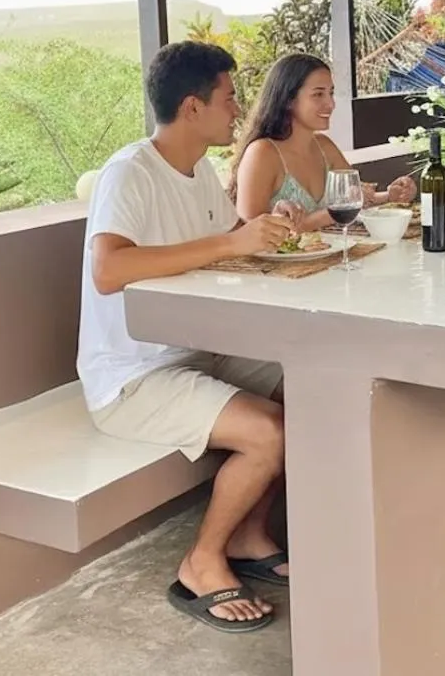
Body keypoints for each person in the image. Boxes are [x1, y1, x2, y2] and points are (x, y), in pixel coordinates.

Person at [78, 40, 303, 634]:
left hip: (197, 353)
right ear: (192, 106)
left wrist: (265, 229)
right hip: (132, 376)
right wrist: (232, 243)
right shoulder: (130, 172)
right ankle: (201, 562)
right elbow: (109, 270)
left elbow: (230, 234)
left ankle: (251, 536)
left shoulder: (198, 170)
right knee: (269, 432)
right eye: (229, 98)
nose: (239, 110)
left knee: (298, 385)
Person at [230, 52, 417, 227]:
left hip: (332, 254)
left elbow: (355, 200)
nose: (331, 103)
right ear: (288, 99)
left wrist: (390, 195)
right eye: (318, 94)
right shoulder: (262, 153)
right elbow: (251, 230)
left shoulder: (325, 147)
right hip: (283, 261)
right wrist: (331, 215)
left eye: (331, 93)